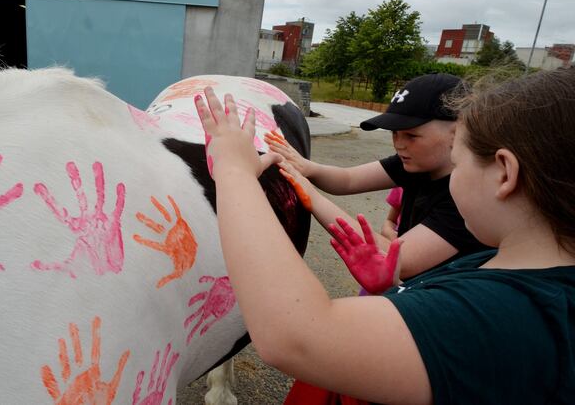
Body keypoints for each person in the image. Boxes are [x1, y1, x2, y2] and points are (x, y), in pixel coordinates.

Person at [193, 67, 575, 404]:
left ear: (505, 174)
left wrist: (234, 172)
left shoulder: (497, 314)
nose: (400, 144)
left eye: (459, 162)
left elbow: (296, 337)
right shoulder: (500, 265)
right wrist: (395, 288)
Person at [265, 73, 491, 291]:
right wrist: (308, 167)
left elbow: (401, 259)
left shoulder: (467, 196)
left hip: (437, 302)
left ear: (458, 131)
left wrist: (312, 198)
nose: (399, 145)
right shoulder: (414, 164)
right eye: (394, 134)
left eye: (411, 136)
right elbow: (348, 180)